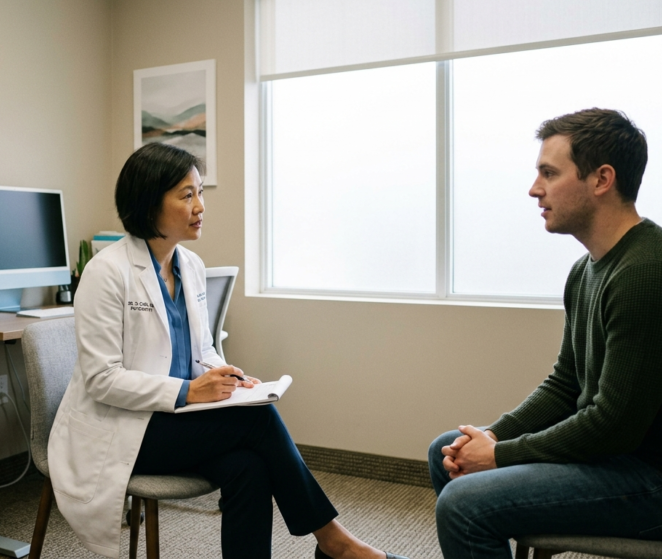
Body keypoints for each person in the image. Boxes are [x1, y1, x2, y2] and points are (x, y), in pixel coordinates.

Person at [48, 142, 408, 559]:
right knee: (257, 421)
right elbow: (101, 379)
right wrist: (187, 392)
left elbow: (204, 350)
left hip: (180, 422)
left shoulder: (192, 266)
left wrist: (229, 377)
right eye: (187, 195)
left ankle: (334, 544)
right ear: (149, 203)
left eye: (200, 192)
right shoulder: (105, 273)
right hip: (126, 427)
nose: (200, 205)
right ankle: (334, 542)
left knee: (249, 469)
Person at [428, 108, 662, 559]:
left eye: (549, 174)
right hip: (625, 460)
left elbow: (613, 427)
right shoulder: (588, 270)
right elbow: (566, 384)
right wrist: (493, 437)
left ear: (601, 180)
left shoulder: (651, 274)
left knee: (464, 505)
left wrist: (498, 456)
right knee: (448, 450)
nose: (534, 189)